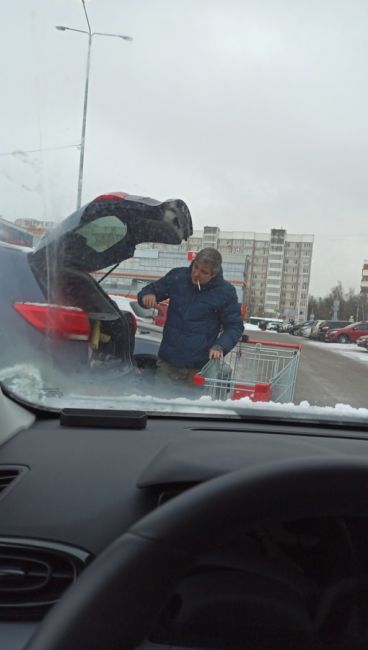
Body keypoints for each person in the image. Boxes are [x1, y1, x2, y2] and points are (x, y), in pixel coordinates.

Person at [137, 248, 244, 392]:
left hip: (198, 370)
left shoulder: (225, 292)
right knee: (160, 409)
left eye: (204, 272)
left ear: (214, 274)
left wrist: (220, 346)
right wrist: (147, 296)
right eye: (195, 266)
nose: (196, 273)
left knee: (190, 412)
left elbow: (234, 326)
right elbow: (151, 290)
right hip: (168, 364)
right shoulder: (178, 277)